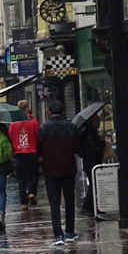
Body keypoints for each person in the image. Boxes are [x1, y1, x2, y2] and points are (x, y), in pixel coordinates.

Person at [37, 100, 81, 246]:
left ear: (49, 111)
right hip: (68, 167)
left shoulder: (44, 128)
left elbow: (38, 149)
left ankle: (58, 234)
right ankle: (70, 231)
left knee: (54, 202)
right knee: (69, 199)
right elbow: (77, 147)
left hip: (50, 169)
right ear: (63, 111)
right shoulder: (71, 127)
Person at [9, 100, 40, 211]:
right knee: (34, 174)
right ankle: (31, 192)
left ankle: (24, 202)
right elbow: (38, 138)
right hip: (32, 152)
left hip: (19, 153)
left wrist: (14, 152)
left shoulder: (13, 124)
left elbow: (11, 139)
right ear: (27, 108)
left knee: (21, 178)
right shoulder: (34, 123)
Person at [78, 113, 104, 217]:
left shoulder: (91, 132)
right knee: (94, 185)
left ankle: (92, 207)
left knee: (95, 185)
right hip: (91, 162)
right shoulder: (89, 133)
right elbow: (95, 148)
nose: (99, 122)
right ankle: (86, 207)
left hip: (92, 161)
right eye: (96, 120)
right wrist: (102, 143)